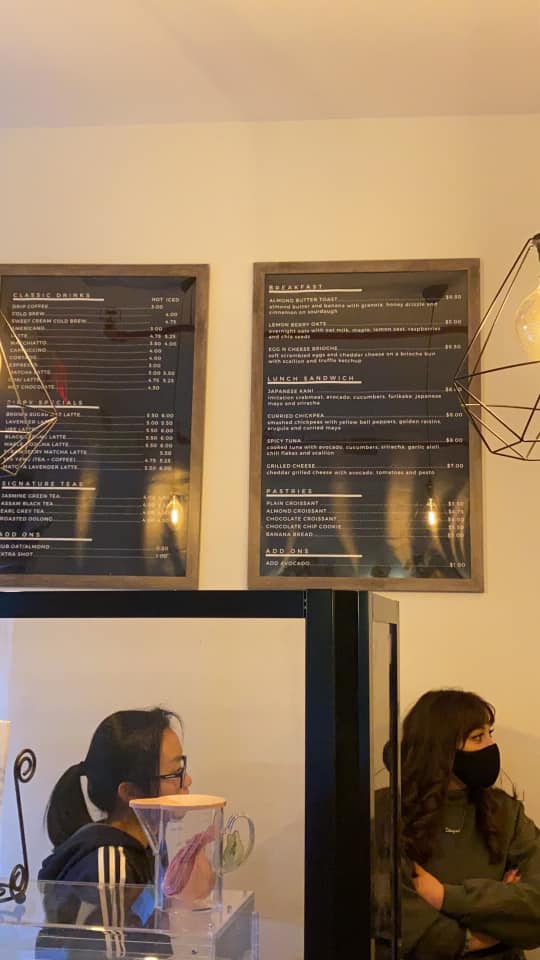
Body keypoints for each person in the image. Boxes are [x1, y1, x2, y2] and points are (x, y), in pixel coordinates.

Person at [400, 689, 540, 959]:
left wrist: (443, 896)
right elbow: (392, 918)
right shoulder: (389, 813)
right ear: (441, 748)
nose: (491, 745)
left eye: (490, 734)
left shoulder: (507, 812)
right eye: (478, 737)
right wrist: (492, 923)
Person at [39, 707, 191, 885]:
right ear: (130, 792)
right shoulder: (111, 868)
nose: (187, 780)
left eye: (182, 768)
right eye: (175, 773)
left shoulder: (151, 844)